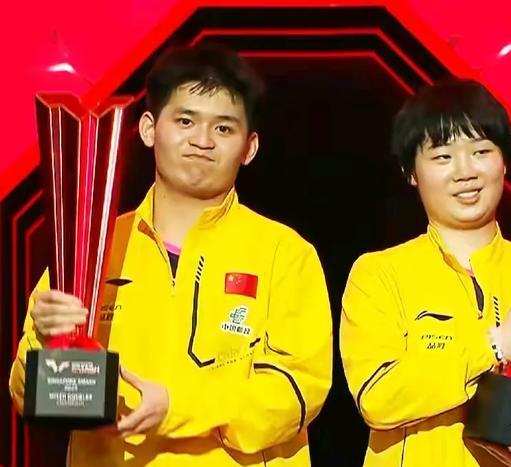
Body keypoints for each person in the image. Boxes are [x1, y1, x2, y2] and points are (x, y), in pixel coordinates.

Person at [9, 43, 332, 467]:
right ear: (148, 129)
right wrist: (46, 339)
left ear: (249, 148)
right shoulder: (89, 250)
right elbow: (27, 397)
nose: (202, 141)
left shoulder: (284, 253)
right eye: (185, 121)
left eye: (223, 129)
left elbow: (297, 392)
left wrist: (176, 406)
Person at [340, 79, 511, 467]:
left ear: (505, 162)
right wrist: (494, 346)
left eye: (481, 151)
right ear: (410, 172)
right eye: (442, 157)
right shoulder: (379, 274)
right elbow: (378, 398)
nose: (465, 171)